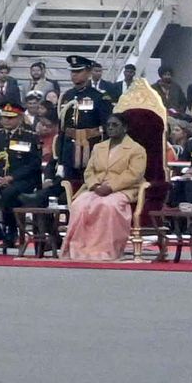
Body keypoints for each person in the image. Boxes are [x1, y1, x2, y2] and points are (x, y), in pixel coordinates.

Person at [62, 80, 157, 260]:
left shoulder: (136, 149)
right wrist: (95, 185)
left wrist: (110, 187)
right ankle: (79, 249)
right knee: (80, 205)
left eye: (115, 125)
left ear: (125, 128)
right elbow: (89, 171)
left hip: (122, 190)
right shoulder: (99, 147)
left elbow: (134, 174)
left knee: (108, 206)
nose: (111, 129)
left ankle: (105, 249)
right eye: (109, 125)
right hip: (96, 188)